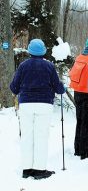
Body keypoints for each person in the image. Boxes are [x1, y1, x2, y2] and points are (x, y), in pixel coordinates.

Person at [10, 39, 65, 179]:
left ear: (29, 50)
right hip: (44, 104)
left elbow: (14, 87)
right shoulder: (49, 66)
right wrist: (62, 87)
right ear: (43, 51)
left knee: (27, 137)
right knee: (41, 136)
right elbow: (58, 87)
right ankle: (39, 169)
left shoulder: (23, 66)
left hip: (26, 104)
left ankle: (27, 168)